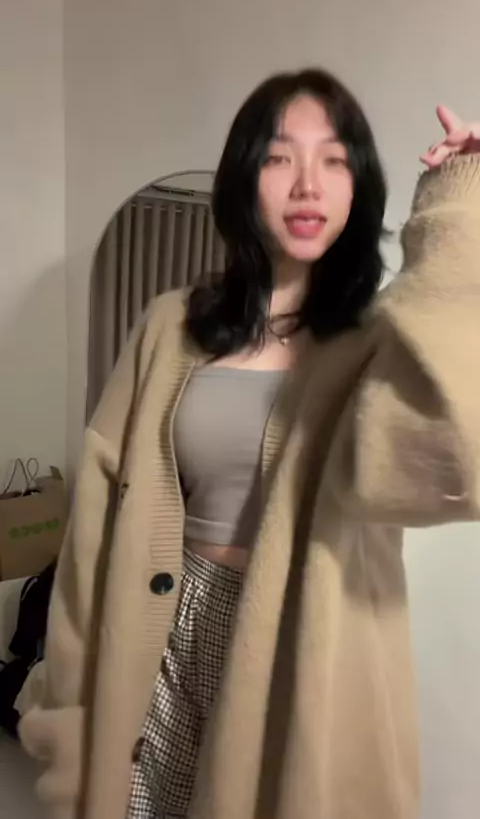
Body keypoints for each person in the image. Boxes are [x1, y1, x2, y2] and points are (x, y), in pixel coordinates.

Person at [20, 68, 480, 819]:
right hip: (162, 637)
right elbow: (93, 535)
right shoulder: (169, 327)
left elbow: (459, 457)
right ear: (243, 177)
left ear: (359, 187)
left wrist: (459, 205)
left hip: (302, 657)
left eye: (334, 160)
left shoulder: (376, 345)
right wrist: (66, 713)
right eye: (279, 156)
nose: (307, 184)